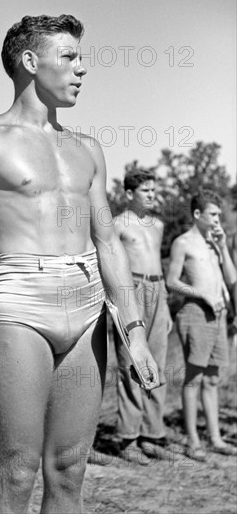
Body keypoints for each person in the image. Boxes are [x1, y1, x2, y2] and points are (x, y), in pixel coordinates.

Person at [0, 14, 159, 514]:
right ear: (30, 63)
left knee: (69, 471)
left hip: (87, 307)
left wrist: (136, 332)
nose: (82, 68)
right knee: (16, 471)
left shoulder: (88, 149)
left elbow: (107, 243)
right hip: (22, 305)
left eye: (81, 57)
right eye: (70, 57)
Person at [167, 189, 237, 461]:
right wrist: (203, 294)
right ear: (197, 215)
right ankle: (192, 441)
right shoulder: (183, 243)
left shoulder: (215, 242)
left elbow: (231, 278)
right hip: (196, 313)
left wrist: (221, 248)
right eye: (213, 214)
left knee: (212, 379)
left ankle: (216, 438)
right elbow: (172, 281)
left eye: (220, 214)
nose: (218, 219)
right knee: (194, 378)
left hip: (220, 316)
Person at [113, 169, 172, 460]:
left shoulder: (158, 225)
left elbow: (159, 263)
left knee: (158, 363)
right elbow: (109, 264)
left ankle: (153, 434)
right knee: (131, 364)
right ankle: (128, 439)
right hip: (131, 290)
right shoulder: (117, 225)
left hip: (158, 289)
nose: (152, 195)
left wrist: (167, 307)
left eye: (153, 190)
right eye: (146, 190)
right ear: (129, 194)